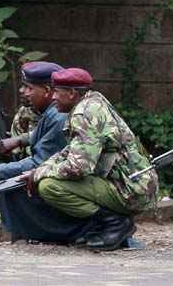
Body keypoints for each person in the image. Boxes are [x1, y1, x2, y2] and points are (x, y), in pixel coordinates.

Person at [23, 67, 159, 251]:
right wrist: (42, 167)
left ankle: (114, 223)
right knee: (48, 177)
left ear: (72, 93)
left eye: (57, 91)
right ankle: (101, 226)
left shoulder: (83, 115)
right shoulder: (93, 101)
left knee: (49, 187)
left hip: (131, 190)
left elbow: (78, 167)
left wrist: (39, 173)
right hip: (135, 183)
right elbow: (71, 150)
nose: (53, 97)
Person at [0, 61, 92, 243]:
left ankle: (45, 233)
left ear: (47, 91)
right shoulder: (51, 112)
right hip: (65, 176)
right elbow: (40, 136)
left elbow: (40, 162)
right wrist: (18, 140)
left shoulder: (58, 116)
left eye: (29, 88)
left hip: (74, 183)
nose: (23, 92)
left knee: (10, 183)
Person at [8, 81, 40, 159]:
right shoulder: (24, 112)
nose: (21, 90)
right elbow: (15, 151)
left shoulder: (59, 113)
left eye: (28, 87)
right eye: (22, 86)